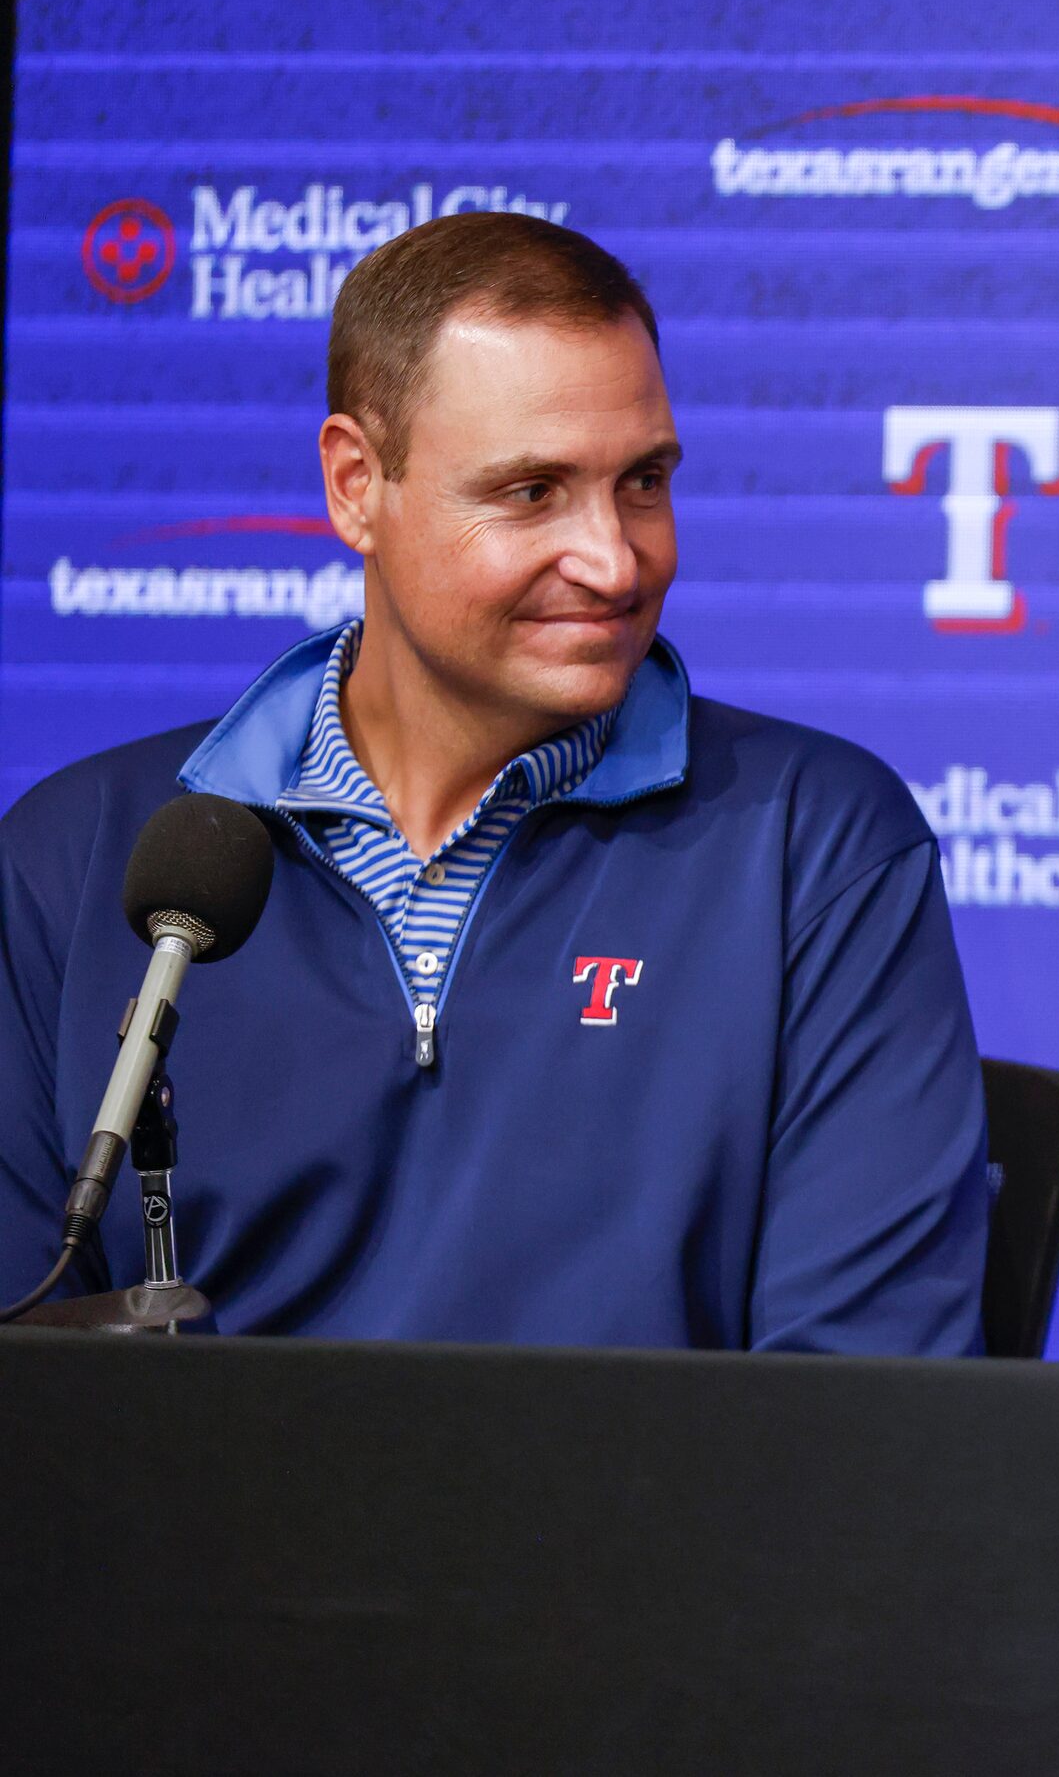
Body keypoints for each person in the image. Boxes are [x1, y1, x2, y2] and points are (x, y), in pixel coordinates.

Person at [0, 213, 992, 1353]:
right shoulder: (76, 860)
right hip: (193, 1536)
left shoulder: (816, 847)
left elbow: (862, 1415)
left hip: (659, 1534)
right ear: (355, 484)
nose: (615, 560)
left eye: (644, 481)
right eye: (531, 493)